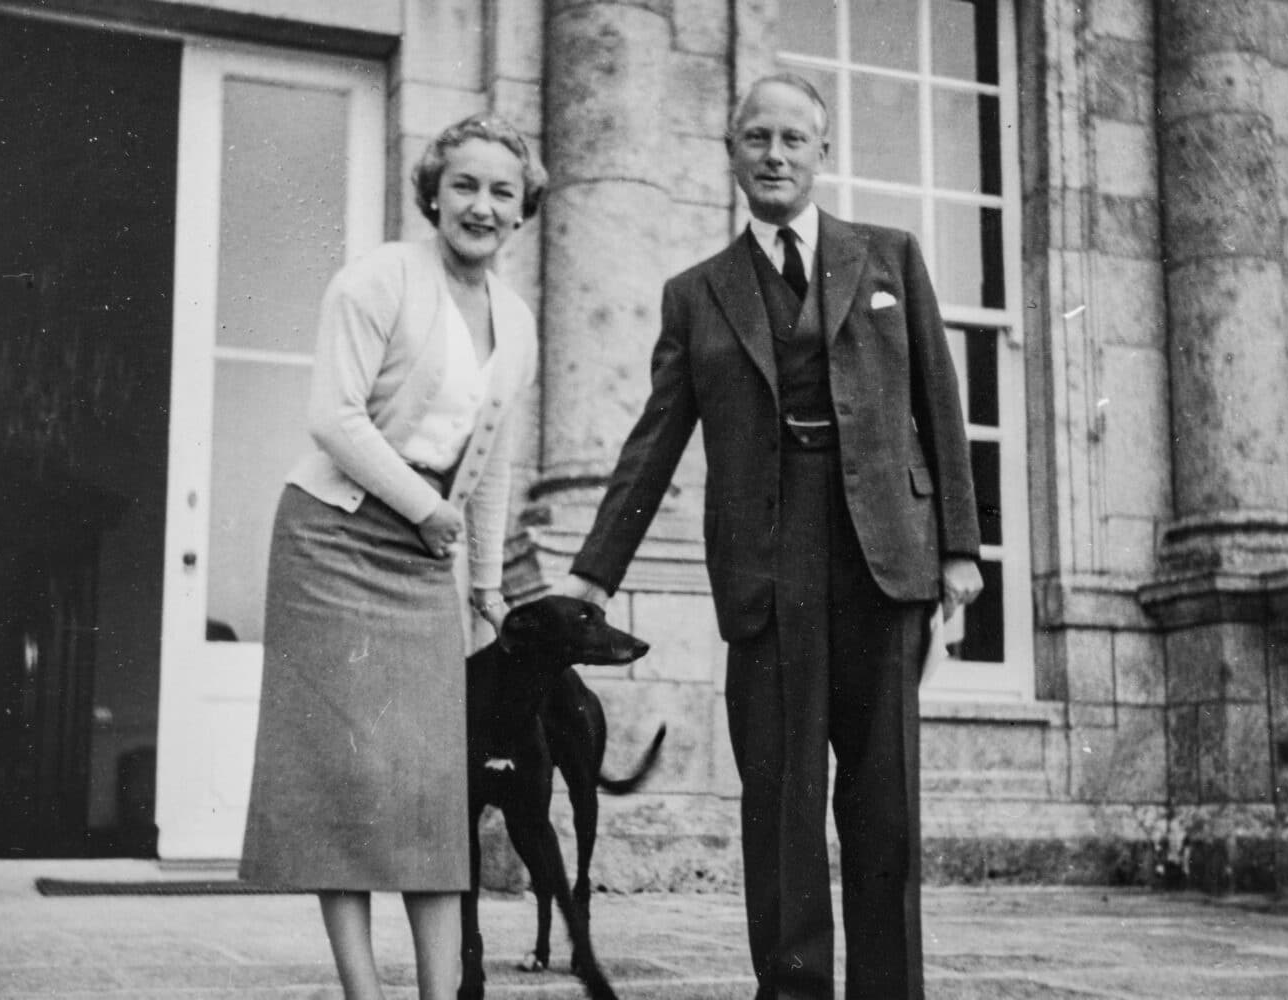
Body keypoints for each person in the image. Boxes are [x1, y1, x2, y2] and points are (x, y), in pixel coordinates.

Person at [558, 73, 983, 1000]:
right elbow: (654, 442)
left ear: (822, 153)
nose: (776, 155)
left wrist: (959, 546)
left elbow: (938, 407)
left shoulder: (890, 258)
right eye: (758, 138)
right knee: (782, 803)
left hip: (883, 557)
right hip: (765, 564)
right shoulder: (697, 294)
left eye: (794, 139)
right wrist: (594, 575)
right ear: (732, 153)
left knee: (883, 803)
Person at [239, 114, 546, 1000]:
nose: (481, 207)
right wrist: (423, 508)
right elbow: (335, 417)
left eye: (501, 192)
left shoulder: (516, 325)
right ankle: (364, 993)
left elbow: (488, 466)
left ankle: (441, 995)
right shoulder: (377, 279)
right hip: (331, 540)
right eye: (464, 187)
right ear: (433, 194)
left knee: (424, 788)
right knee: (346, 780)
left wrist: (485, 584)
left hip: (421, 558)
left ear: (522, 210)